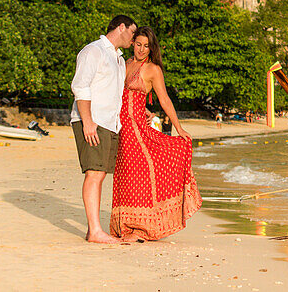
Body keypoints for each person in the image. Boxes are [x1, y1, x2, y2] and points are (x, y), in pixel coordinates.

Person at [110, 27, 201, 241]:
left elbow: (164, 99)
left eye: (146, 46)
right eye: (138, 44)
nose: (142, 49)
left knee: (138, 175)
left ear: (152, 48)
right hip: (118, 126)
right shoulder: (123, 63)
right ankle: (124, 226)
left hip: (137, 130)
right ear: (133, 43)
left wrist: (179, 128)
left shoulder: (152, 69)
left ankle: (140, 228)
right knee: (123, 176)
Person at [71, 14, 137, 243]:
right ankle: (95, 231)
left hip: (110, 123)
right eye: (132, 31)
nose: (134, 37)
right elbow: (80, 87)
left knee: (100, 175)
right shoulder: (94, 51)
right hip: (93, 121)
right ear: (121, 27)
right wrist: (88, 122)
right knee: (94, 172)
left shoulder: (118, 59)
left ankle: (95, 230)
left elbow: (115, 93)